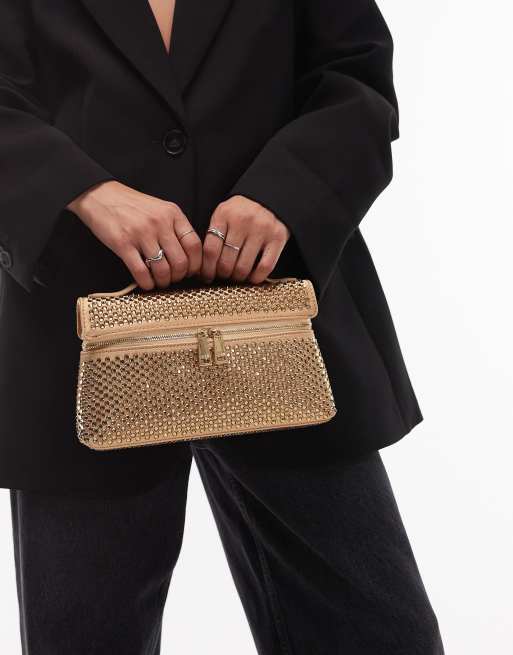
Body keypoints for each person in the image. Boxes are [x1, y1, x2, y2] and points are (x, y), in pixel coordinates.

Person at [0, 0, 444, 653]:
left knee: (381, 633)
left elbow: (356, 73)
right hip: (81, 332)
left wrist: (288, 191)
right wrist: (85, 191)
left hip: (279, 317)